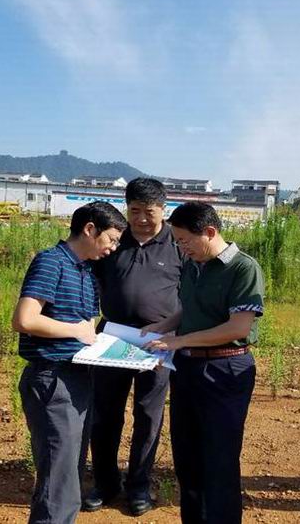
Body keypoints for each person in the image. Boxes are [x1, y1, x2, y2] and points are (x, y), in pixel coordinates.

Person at [145, 201, 264, 524]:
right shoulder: (193, 265)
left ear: (209, 232)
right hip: (187, 369)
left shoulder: (243, 268)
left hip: (225, 371)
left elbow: (238, 328)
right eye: (177, 242)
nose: (181, 248)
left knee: (219, 459)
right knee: (188, 457)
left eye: (185, 240)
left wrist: (179, 340)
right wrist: (164, 326)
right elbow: (191, 307)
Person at [12, 201, 127, 524]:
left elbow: (86, 328)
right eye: (111, 239)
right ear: (90, 229)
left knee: (70, 468)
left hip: (78, 376)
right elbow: (24, 319)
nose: (113, 248)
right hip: (53, 378)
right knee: (59, 472)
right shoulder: (51, 262)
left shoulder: (86, 270)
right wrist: (76, 330)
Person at [83, 179, 185, 516]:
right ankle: (105, 483)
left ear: (164, 210)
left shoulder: (177, 243)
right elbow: (89, 277)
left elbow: (191, 292)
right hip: (112, 338)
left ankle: (139, 484)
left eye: (149, 212)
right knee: (104, 413)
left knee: (148, 415)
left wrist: (174, 333)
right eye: (134, 210)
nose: (141, 218)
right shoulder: (114, 240)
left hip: (158, 343)